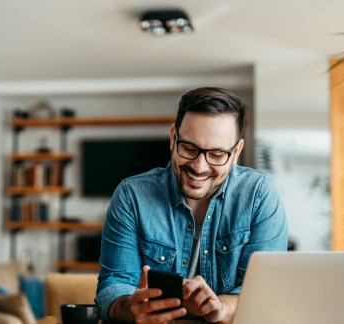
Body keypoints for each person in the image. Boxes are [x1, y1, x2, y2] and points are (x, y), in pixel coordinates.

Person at [94, 87, 288, 323]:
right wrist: (129, 307)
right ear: (173, 137)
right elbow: (112, 287)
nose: (199, 167)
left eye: (216, 154)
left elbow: (265, 295)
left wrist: (221, 307)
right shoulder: (130, 196)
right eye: (189, 148)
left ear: (236, 152)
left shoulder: (260, 195)